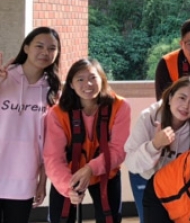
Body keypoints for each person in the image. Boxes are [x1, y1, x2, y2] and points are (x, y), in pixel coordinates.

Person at [44, 58, 131, 223]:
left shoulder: (120, 106)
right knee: (60, 219)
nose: (88, 84)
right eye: (80, 79)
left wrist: (90, 169)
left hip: (106, 172)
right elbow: (53, 157)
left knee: (110, 219)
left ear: (102, 80)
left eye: (93, 78)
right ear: (71, 84)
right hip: (69, 174)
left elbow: (119, 149)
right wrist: (68, 187)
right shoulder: (57, 113)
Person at [124, 76, 190, 221]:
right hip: (144, 176)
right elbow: (131, 163)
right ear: (170, 98)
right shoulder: (148, 117)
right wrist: (155, 145)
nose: (186, 106)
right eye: (182, 98)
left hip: (175, 182)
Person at [0, 27, 61, 223]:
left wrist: (42, 181)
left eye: (52, 48)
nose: (45, 52)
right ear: (26, 47)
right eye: (39, 46)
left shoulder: (53, 91)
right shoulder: (4, 77)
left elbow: (49, 143)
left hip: (23, 178)